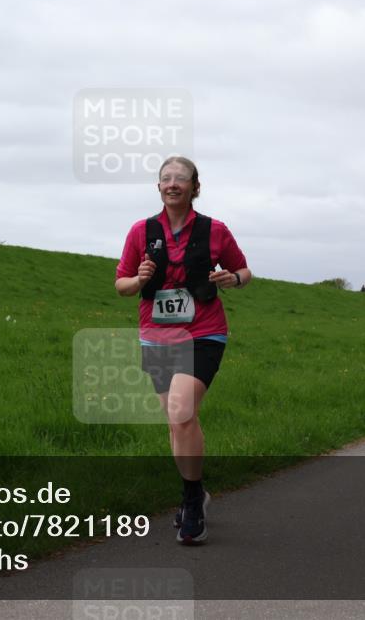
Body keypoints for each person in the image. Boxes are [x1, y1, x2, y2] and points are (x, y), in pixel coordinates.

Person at [114, 156, 251, 545]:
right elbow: (121, 286)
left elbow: (244, 271)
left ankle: (192, 502)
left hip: (204, 332)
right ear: (158, 187)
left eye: (181, 179)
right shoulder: (141, 231)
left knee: (181, 410)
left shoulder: (215, 230)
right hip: (156, 336)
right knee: (177, 423)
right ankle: (195, 491)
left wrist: (232, 278)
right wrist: (137, 278)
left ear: (195, 187)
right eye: (166, 178)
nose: (173, 184)